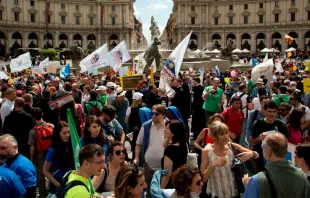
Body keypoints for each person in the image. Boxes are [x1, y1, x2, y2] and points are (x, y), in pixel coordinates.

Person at [200, 121, 259, 197]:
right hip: (215, 193)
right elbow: (203, 178)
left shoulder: (232, 146)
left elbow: (257, 155)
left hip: (233, 192)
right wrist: (213, 165)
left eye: (226, 133)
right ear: (214, 136)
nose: (226, 136)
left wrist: (252, 154)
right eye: (221, 134)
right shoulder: (206, 151)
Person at [243, 133, 310, 198]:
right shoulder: (302, 177)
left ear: (268, 151)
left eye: (263, 146)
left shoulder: (256, 181)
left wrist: (249, 188)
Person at [134, 104, 166, 198]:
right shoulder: (146, 126)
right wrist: (136, 158)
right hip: (148, 166)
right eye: (152, 113)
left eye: (156, 114)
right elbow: (138, 144)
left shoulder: (169, 126)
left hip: (165, 167)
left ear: (163, 115)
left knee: (163, 192)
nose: (153, 116)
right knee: (149, 192)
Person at [251, 101, 290, 172]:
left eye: (274, 112)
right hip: (261, 157)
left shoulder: (281, 125)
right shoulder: (258, 123)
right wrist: (259, 138)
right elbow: (252, 140)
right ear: (265, 111)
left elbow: (286, 140)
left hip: (276, 157)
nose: (272, 114)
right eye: (269, 111)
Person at [28, 107, 54, 198]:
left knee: (41, 176)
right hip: (52, 155)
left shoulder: (33, 131)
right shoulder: (51, 126)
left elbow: (32, 147)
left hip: (40, 156)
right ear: (42, 114)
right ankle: (54, 192)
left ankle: (43, 194)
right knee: (52, 173)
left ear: (32, 117)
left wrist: (31, 159)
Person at [43, 121, 75, 192]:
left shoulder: (70, 145)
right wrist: (58, 185)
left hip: (71, 179)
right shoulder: (53, 150)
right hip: (59, 181)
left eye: (68, 132)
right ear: (58, 134)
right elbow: (45, 171)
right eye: (64, 133)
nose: (67, 135)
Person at [161, 120, 188, 189]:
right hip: (180, 183)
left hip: (170, 185)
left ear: (173, 132)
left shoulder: (170, 149)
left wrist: (160, 190)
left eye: (167, 128)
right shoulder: (183, 146)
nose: (165, 130)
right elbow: (164, 144)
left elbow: (167, 174)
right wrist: (169, 137)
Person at [125, 92, 145, 161]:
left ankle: (135, 158)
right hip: (142, 128)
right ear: (140, 100)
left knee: (134, 143)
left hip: (133, 129)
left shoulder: (129, 109)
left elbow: (126, 120)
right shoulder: (143, 108)